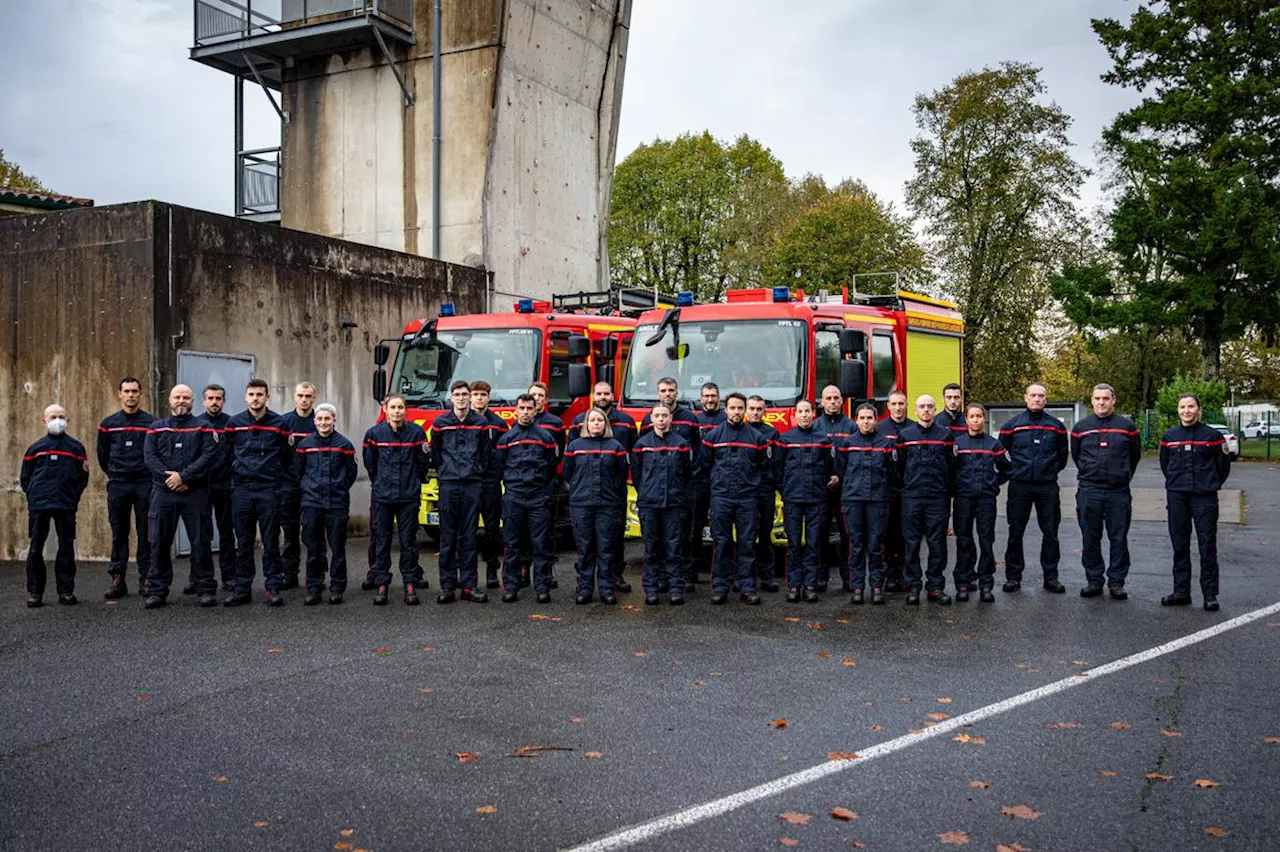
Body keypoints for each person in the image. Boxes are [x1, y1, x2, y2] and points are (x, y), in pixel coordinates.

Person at [142, 383, 219, 608]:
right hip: (163, 493)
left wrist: (184, 478)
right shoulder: (156, 428)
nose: (181, 401)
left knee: (200, 541)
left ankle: (205, 588)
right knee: (159, 542)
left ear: (193, 401)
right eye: (177, 397)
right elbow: (150, 457)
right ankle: (157, 590)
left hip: (194, 493)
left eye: (186, 397)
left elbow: (208, 457)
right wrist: (171, 479)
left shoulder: (203, 427)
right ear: (170, 400)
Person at [1159, 393, 1234, 611]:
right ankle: (1181, 591)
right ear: (1178, 410)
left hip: (1204, 497)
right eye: (1183, 407)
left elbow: (1223, 466)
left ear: (1198, 409)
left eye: (1191, 406)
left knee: (1207, 545)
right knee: (1179, 545)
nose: (1187, 410)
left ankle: (1210, 594)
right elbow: (1166, 464)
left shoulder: (1212, 436)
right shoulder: (1169, 436)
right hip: (1177, 496)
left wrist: (1209, 483)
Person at [224, 379, 293, 607]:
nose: (256, 398)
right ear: (246, 397)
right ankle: (242, 588)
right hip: (242, 490)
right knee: (243, 542)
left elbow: (287, 457)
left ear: (267, 397)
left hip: (269, 490)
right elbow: (227, 454)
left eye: (260, 394)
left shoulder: (279, 424)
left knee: (271, 541)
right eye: (252, 394)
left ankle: (272, 587)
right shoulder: (234, 424)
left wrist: (275, 479)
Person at [1070, 384, 1141, 600]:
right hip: (1089, 491)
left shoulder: (1127, 427)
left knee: (1118, 538)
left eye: (1106, 399)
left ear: (1113, 400)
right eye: (1097, 398)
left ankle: (1116, 582)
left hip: (1117, 493)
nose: (1101, 402)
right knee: (1090, 538)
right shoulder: (1081, 427)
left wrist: (1122, 476)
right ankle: (1094, 580)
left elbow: (1134, 456)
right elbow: (1076, 455)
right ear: (1092, 401)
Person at [999, 383, 1069, 594]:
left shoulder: (1056, 426)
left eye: (1041, 396)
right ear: (1026, 398)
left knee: (1050, 533)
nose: (1037, 399)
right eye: (1033, 395)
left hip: (1047, 487)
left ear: (1046, 400)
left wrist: (1049, 471)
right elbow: (1003, 455)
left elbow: (1062, 457)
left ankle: (1051, 577)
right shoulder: (1012, 426)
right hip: (1019, 486)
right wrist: (1013, 472)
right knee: (1015, 532)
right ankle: (1013, 577)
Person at [702, 392, 770, 605]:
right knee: (721, 543)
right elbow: (705, 466)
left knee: (747, 544)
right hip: (721, 497)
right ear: (726, 409)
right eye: (733, 408)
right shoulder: (713, 436)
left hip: (747, 498)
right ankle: (720, 588)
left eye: (741, 408)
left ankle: (747, 588)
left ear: (746, 410)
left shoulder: (757, 438)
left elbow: (764, 467)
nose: (737, 412)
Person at [20, 404, 89, 607]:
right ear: (44, 421)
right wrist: (33, 496)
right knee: (35, 549)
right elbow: (25, 477)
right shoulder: (35, 448)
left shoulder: (76, 448)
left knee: (66, 548)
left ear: (67, 420)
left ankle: (66, 591)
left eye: (60, 416)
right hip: (39, 505)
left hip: (65, 504)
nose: (57, 420)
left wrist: (73, 497)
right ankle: (35, 592)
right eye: (52, 417)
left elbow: (82, 476)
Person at [365, 394, 430, 605]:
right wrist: (381, 484)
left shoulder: (416, 433)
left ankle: (409, 584)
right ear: (385, 409)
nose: (396, 411)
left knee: (408, 542)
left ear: (405, 410)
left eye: (400, 407)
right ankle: (382, 584)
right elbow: (371, 465)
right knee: (382, 541)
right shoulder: (374, 434)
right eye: (392, 407)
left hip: (408, 497)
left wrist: (413, 484)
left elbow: (423, 464)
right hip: (383, 497)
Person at [430, 381, 492, 603]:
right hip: (448, 484)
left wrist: (476, 472)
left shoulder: (481, 423)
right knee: (447, 538)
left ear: (469, 397)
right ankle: (447, 586)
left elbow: (486, 453)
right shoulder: (440, 423)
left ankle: (469, 585)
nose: (462, 398)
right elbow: (435, 454)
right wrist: (445, 472)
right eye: (457, 394)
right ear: (451, 398)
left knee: (469, 536)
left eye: (465, 394)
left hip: (472, 484)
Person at [572, 382, 636, 591]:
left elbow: (631, 456)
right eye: (598, 393)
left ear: (612, 395)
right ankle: (585, 583)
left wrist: (617, 485)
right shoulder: (577, 422)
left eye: (606, 393)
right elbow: (571, 466)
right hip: (585, 493)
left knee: (614, 538)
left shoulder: (626, 422)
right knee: (587, 542)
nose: (602, 396)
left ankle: (615, 576)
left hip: (613, 492)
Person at [639, 377, 701, 592]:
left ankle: (681, 580)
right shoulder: (647, 425)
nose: (667, 394)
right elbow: (639, 467)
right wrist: (645, 489)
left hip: (677, 493)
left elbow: (694, 459)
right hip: (652, 494)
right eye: (663, 390)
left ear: (677, 392)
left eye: (671, 390)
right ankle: (659, 582)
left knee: (679, 539)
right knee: (654, 544)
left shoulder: (690, 420)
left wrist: (683, 489)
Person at [495, 394, 558, 603]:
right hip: (514, 496)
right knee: (512, 544)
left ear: (535, 409)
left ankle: (542, 586)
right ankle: (511, 586)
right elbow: (499, 466)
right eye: (521, 408)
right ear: (515, 410)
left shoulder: (545, 438)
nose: (525, 412)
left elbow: (550, 467)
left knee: (540, 544)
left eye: (529, 408)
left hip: (538, 496)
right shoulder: (506, 439)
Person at [564, 407, 629, 605]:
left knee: (606, 548)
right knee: (585, 548)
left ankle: (606, 589)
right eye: (592, 420)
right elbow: (568, 473)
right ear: (586, 424)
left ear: (605, 424)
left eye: (600, 420)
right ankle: (584, 589)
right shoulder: (575, 446)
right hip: (582, 504)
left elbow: (621, 475)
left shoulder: (616, 446)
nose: (596, 424)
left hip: (607, 505)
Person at [97, 377, 155, 600]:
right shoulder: (108, 424)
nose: (131, 395)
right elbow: (102, 456)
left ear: (141, 394)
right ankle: (117, 579)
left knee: (145, 533)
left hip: (144, 483)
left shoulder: (151, 423)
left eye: (134, 391)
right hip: (119, 484)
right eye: (127, 391)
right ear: (119, 394)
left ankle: (146, 578)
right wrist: (114, 473)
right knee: (118, 532)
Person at [295, 403, 358, 605]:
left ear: (334, 420)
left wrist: (338, 489)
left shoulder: (345, 445)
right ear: (314, 421)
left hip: (337, 503)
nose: (323, 423)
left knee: (338, 549)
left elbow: (351, 473)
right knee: (313, 549)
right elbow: (298, 471)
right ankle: (314, 588)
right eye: (320, 419)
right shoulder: (305, 445)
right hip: (311, 503)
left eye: (327, 419)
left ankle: (337, 588)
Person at [631, 402, 692, 605]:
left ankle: (676, 589)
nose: (661, 419)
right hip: (649, 503)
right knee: (651, 548)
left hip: (674, 503)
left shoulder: (681, 443)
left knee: (674, 548)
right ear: (651, 418)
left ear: (670, 418)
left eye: (664, 415)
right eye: (657, 415)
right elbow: (638, 474)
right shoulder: (642, 444)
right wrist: (646, 493)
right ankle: (651, 589)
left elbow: (686, 473)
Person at [836, 403, 897, 605]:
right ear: (856, 420)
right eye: (861, 418)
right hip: (853, 500)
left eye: (869, 418)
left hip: (878, 500)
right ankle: (858, 587)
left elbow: (892, 472)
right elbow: (840, 470)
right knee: (855, 544)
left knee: (876, 544)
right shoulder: (847, 443)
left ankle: (877, 587)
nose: (865, 422)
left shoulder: (886, 444)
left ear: (876, 420)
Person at [774, 400, 834, 603]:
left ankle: (810, 585)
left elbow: (829, 467)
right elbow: (778, 469)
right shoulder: (785, 439)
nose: (804, 415)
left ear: (813, 414)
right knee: (793, 545)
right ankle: (793, 585)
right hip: (793, 499)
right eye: (800, 411)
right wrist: (786, 491)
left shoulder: (823, 439)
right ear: (795, 415)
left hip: (817, 498)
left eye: (807, 411)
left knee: (813, 543)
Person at [899, 395, 956, 605]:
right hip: (912, 497)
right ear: (915, 410)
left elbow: (952, 467)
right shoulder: (905, 436)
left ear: (935, 409)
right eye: (922, 406)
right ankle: (913, 586)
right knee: (912, 544)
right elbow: (899, 467)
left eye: (930, 407)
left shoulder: (945, 435)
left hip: (937, 498)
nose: (926, 410)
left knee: (937, 543)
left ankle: (935, 587)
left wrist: (945, 490)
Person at [951, 403, 1012, 603]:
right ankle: (963, 582)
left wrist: (993, 484)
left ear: (983, 419)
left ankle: (986, 583)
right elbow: (949, 470)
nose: (975, 420)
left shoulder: (994, 445)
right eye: (972, 416)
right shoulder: (957, 444)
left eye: (979, 416)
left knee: (986, 541)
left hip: (986, 499)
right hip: (963, 499)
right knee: (964, 540)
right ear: (966, 420)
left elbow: (1007, 469)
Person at [196, 384, 237, 593]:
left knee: (227, 534)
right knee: (201, 535)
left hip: (225, 486)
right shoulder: (196, 424)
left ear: (223, 401)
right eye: (210, 398)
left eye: (218, 398)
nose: (214, 402)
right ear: (203, 401)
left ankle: (229, 577)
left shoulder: (231, 424)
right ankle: (199, 578)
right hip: (201, 487)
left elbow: (236, 453)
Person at [470, 380, 509, 590]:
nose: (479, 398)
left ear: (489, 397)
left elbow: (505, 453)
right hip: (469, 481)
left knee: (492, 529)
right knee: (466, 529)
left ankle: (492, 570)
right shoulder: (464, 421)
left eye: (483, 395)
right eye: (475, 394)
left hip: (490, 482)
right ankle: (467, 573)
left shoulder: (499, 424)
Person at [816, 385, 855, 591]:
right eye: (828, 398)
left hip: (845, 489)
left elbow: (854, 459)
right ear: (822, 402)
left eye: (836, 398)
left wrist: (840, 477)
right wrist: (824, 478)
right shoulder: (814, 426)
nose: (832, 401)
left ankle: (848, 577)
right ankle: (821, 575)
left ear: (842, 401)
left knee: (846, 533)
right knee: (821, 532)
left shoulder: (851, 427)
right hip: (821, 489)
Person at [279, 382, 318, 590]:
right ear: (294, 397)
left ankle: (315, 575)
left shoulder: (319, 422)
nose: (304, 400)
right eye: (301, 395)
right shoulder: (284, 422)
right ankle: (289, 573)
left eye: (308, 396)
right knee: (290, 532)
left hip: (312, 487)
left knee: (312, 533)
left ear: (314, 398)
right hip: (289, 486)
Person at [876, 390, 914, 593]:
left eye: (901, 403)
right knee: (888, 535)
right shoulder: (880, 429)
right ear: (888, 406)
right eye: (894, 404)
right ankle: (891, 576)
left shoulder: (914, 428)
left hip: (909, 489)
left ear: (906, 405)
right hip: (886, 489)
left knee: (908, 535)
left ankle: (907, 576)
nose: (898, 408)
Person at [690, 382, 725, 588]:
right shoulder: (695, 420)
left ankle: (720, 573)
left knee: (721, 528)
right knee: (695, 527)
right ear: (701, 398)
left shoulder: (725, 419)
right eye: (706, 396)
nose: (709, 399)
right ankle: (692, 571)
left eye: (713, 395)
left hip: (721, 480)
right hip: (700, 480)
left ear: (718, 397)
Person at [746, 395, 781, 593]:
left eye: (759, 409)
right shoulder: (741, 432)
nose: (755, 412)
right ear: (746, 410)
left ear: (764, 411)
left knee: (765, 536)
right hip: (745, 491)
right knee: (745, 537)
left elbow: (775, 463)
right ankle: (744, 578)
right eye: (752, 408)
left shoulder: (772, 434)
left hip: (765, 490)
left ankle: (767, 577)